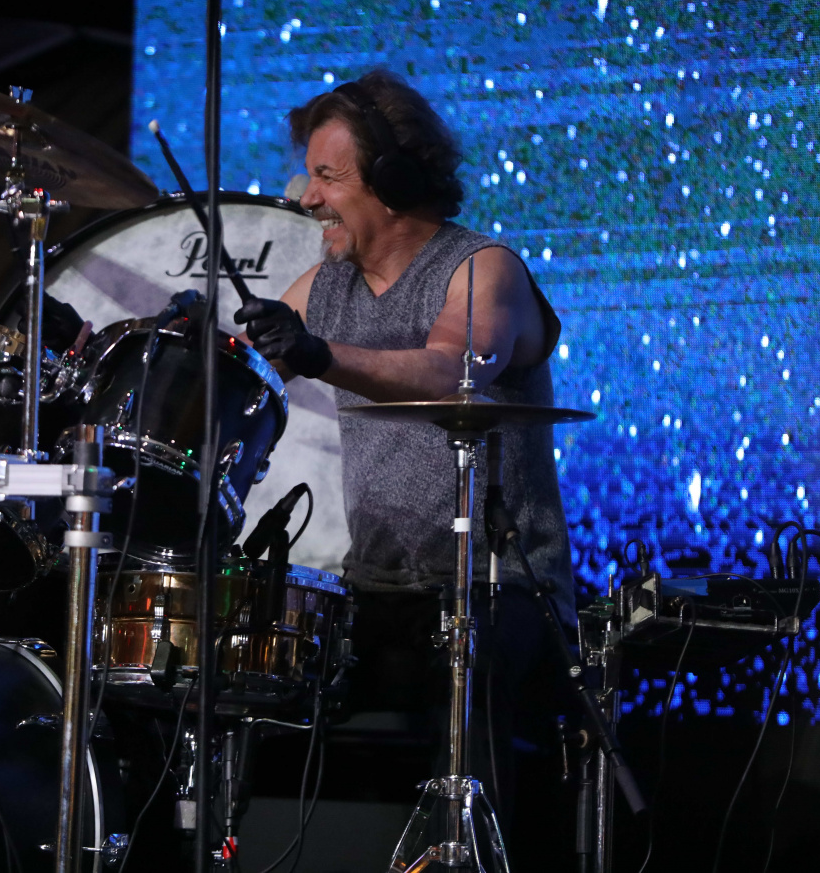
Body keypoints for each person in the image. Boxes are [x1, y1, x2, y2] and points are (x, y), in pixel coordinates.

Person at [234, 69, 575, 835]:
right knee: (247, 681)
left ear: (392, 181)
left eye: (327, 176)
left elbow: (452, 370)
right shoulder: (327, 285)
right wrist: (118, 342)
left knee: (468, 679)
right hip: (378, 589)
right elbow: (238, 369)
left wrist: (318, 354)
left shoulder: (481, 267)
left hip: (499, 590)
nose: (306, 197)